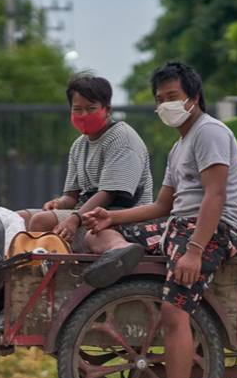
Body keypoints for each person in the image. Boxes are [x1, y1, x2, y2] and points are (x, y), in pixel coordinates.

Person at [80, 62, 237, 378]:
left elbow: (215, 197)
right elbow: (161, 207)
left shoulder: (210, 133)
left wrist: (194, 252)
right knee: (97, 235)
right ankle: (124, 252)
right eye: (160, 100)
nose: (165, 105)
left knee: (175, 311)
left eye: (172, 97)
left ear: (193, 97)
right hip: (178, 225)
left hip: (213, 228)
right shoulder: (179, 146)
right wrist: (112, 217)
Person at [17, 73, 153, 251]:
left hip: (120, 220)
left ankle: (55, 277)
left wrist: (74, 219)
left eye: (91, 109)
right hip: (87, 213)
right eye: (77, 110)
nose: (84, 115)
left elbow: (108, 194)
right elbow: (72, 197)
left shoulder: (121, 137)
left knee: (41, 221)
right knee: (20, 219)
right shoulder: (79, 145)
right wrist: (59, 203)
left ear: (107, 110)